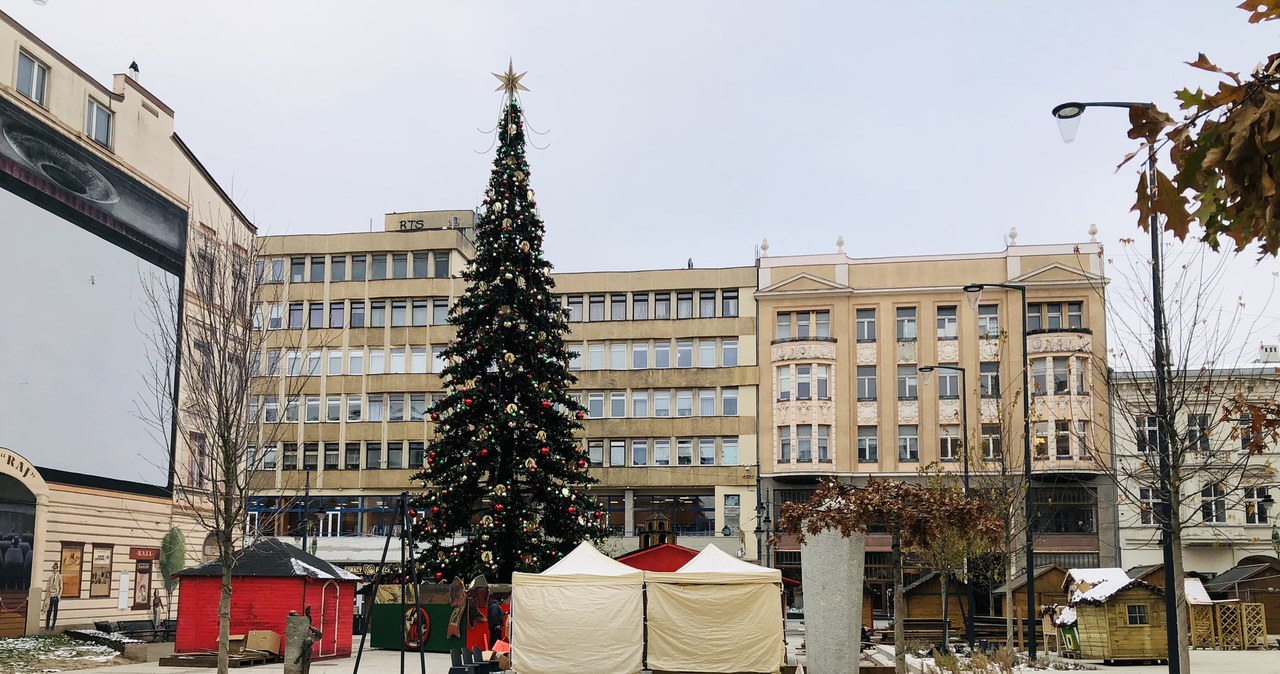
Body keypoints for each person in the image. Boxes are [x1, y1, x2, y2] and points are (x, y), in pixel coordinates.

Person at [43, 563, 62, 631]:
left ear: (57, 569)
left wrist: (59, 595)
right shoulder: (51, 577)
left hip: (56, 596)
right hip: (51, 595)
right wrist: (47, 594)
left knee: (55, 611)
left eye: (55, 568)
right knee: (49, 611)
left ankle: (53, 626)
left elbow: (61, 586)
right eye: (54, 568)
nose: (54, 570)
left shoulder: (59, 576)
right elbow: (48, 585)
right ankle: (47, 626)